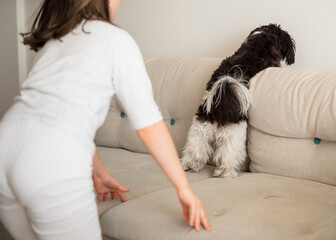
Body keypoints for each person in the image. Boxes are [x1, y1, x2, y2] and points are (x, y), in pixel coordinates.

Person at [0, 0, 212, 239]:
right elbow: (149, 125)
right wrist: (184, 189)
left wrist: (98, 172)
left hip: (5, 143)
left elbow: (64, 119)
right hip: (51, 158)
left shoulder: (54, 42)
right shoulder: (115, 40)